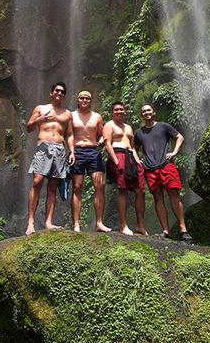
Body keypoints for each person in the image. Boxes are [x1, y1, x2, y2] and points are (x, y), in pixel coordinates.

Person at [134, 104, 192, 242]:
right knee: (158, 198)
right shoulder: (139, 133)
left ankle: (183, 229)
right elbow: (134, 148)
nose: (146, 113)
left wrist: (175, 152)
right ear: (141, 115)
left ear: (153, 112)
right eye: (143, 111)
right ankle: (165, 230)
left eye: (148, 110)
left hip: (166, 166)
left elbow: (180, 137)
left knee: (174, 194)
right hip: (150, 169)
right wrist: (138, 161)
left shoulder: (163, 126)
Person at [25, 82, 73, 236]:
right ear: (51, 92)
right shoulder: (40, 109)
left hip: (59, 149)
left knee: (53, 187)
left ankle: (48, 222)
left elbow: (69, 135)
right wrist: (40, 120)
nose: (60, 93)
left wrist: (72, 151)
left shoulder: (67, 114)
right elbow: (29, 127)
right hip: (43, 148)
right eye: (57, 90)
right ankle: (31, 222)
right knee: (37, 181)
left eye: (63, 92)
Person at [70, 90, 111, 233]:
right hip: (77, 151)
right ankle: (76, 224)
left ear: (90, 101)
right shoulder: (72, 116)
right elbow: (68, 135)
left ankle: (99, 222)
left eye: (87, 98)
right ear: (78, 100)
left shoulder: (96, 117)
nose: (85, 100)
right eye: (82, 98)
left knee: (100, 185)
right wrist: (70, 152)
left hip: (93, 151)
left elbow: (101, 133)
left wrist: (100, 141)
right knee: (77, 187)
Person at [104, 102, 147, 236]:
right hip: (118, 155)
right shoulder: (109, 125)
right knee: (122, 190)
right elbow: (107, 144)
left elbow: (132, 146)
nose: (119, 111)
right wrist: (116, 161)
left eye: (122, 109)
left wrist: (137, 160)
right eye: (116, 109)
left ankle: (140, 226)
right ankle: (123, 225)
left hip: (131, 157)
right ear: (112, 112)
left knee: (140, 190)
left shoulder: (128, 127)